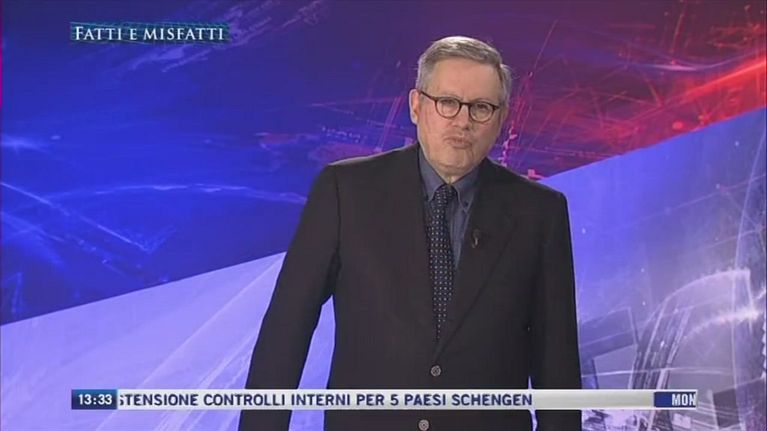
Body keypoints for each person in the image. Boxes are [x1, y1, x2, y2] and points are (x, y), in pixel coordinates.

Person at [240, 35, 582, 431]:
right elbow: (287, 327)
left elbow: (556, 357)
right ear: (417, 106)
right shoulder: (345, 191)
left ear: (501, 118)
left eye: (481, 108)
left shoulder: (539, 212)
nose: (463, 121)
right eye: (447, 102)